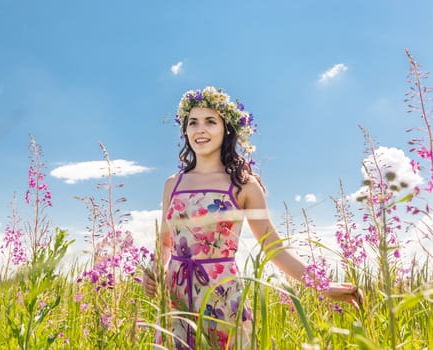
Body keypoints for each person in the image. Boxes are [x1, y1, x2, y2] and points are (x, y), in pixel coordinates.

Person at [143, 86, 362, 349]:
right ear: (185, 130)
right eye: (193, 122)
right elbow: (165, 242)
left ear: (227, 129)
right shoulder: (172, 183)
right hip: (176, 298)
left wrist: (323, 286)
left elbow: (274, 249)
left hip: (222, 297)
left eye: (210, 121)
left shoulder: (244, 185)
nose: (200, 129)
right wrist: (155, 268)